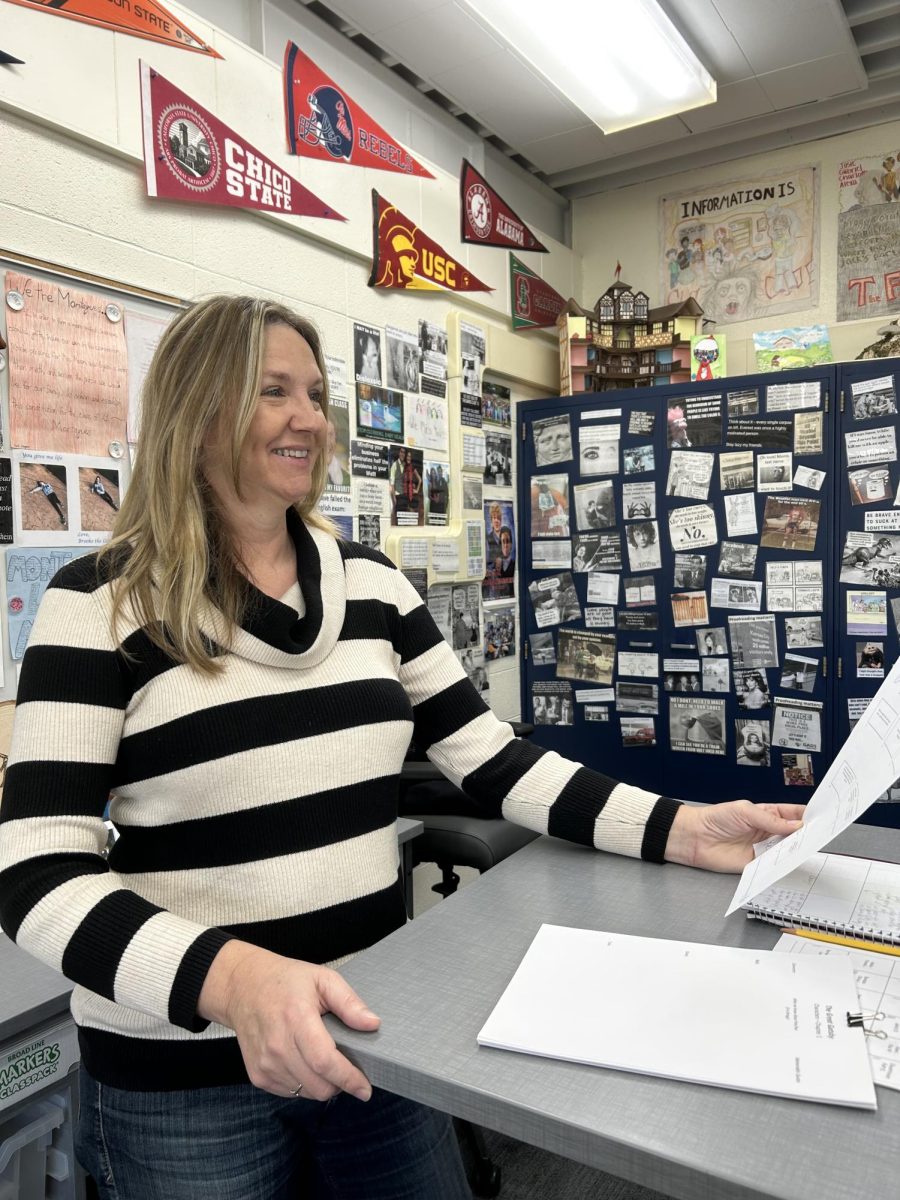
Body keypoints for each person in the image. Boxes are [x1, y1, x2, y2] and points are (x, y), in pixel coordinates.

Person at [0, 295, 804, 1200]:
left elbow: (494, 760)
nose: (309, 417)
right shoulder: (98, 602)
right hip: (182, 1079)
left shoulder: (375, 586)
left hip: (371, 1035)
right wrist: (229, 981)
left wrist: (682, 827)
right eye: (272, 392)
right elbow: (37, 872)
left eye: (314, 393)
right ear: (197, 412)